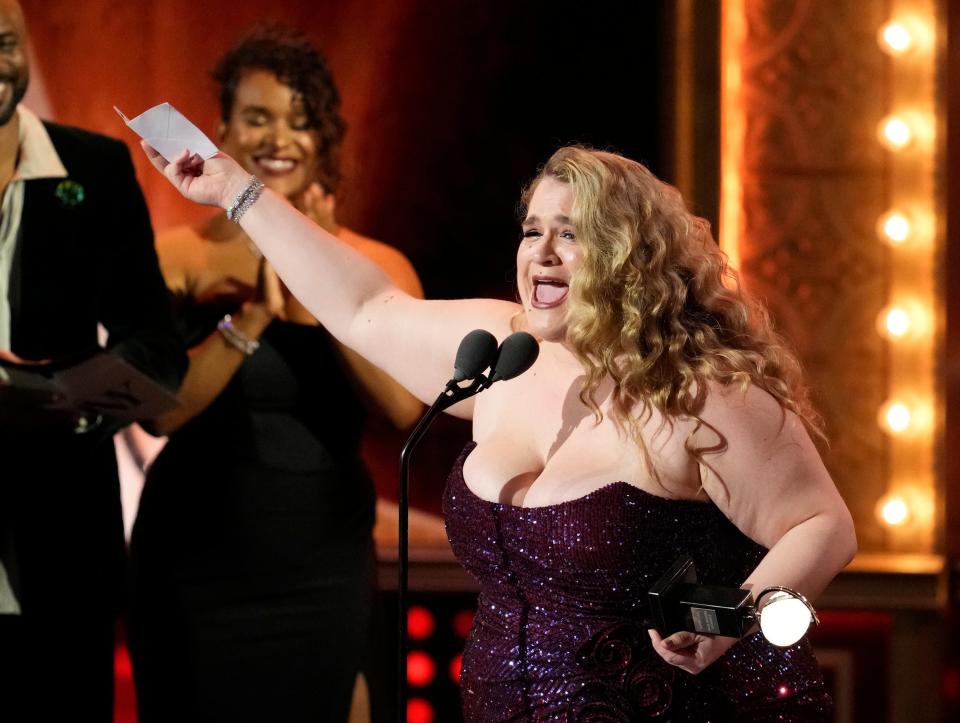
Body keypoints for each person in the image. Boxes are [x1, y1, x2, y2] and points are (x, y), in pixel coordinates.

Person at [143, 134, 857, 720]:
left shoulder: (701, 393)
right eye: (532, 230)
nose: (540, 252)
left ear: (632, 260)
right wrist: (238, 193)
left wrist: (731, 619)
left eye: (572, 235)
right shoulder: (501, 348)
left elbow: (824, 523)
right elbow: (364, 308)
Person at [127, 25, 423, 723]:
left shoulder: (375, 262)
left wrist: (327, 296)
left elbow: (405, 411)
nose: (279, 137)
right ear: (223, 128)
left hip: (319, 562)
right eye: (258, 117)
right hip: (193, 561)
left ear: (323, 139)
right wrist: (249, 322)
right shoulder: (176, 257)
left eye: (299, 120)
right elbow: (159, 413)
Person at [0, 2, 187, 721]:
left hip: (62, 545)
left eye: (4, 42)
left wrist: (64, 397)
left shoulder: (95, 169)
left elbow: (156, 347)